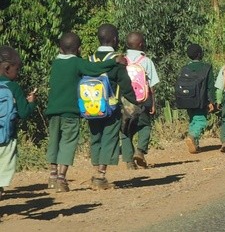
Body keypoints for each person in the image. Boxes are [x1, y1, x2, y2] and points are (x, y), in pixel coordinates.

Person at [46, 32, 123, 192]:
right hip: (71, 113)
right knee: (68, 143)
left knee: (54, 141)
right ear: (79, 49)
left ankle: (52, 176)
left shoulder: (55, 63)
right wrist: (114, 60)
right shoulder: (77, 63)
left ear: (60, 48)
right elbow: (95, 69)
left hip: (53, 111)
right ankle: (61, 179)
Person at [88, 24, 137, 190]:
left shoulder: (90, 58)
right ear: (115, 39)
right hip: (111, 106)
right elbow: (125, 84)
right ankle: (100, 175)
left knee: (96, 137)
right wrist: (136, 101)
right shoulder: (118, 59)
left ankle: (96, 170)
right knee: (109, 137)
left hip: (91, 106)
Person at [0, 46, 36, 199]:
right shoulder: (13, 87)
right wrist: (32, 103)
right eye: (17, 69)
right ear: (7, 68)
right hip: (6, 137)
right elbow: (24, 113)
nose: (18, 73)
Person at [121, 32, 160, 169]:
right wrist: (153, 103)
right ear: (141, 44)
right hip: (142, 100)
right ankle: (140, 150)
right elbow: (152, 85)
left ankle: (129, 161)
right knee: (145, 126)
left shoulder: (122, 60)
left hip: (125, 102)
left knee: (126, 131)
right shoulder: (146, 61)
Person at [181, 43, 216, 153]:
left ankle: (195, 144)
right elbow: (210, 86)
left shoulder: (185, 68)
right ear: (200, 54)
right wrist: (212, 101)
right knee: (201, 121)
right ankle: (192, 136)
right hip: (201, 100)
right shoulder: (206, 68)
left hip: (187, 99)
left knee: (193, 120)